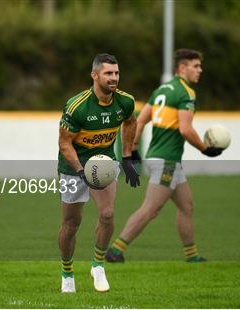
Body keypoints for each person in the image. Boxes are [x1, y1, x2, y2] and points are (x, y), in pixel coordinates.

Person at [105, 49, 223, 264]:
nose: (200, 70)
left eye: (199, 66)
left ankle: (192, 255)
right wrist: (206, 149)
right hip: (166, 160)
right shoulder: (185, 93)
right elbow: (186, 130)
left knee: (186, 206)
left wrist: (133, 149)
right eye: (195, 66)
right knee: (150, 209)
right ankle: (116, 249)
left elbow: (140, 121)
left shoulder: (162, 90)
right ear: (182, 68)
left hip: (163, 159)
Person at [57, 54, 140, 293]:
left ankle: (98, 265)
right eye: (108, 73)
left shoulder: (125, 102)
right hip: (73, 167)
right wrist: (81, 171)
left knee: (107, 213)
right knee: (71, 224)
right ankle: (67, 272)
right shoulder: (77, 106)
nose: (114, 78)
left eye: (116, 73)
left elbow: (130, 123)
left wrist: (126, 158)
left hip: (104, 163)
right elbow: (64, 144)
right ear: (95, 75)